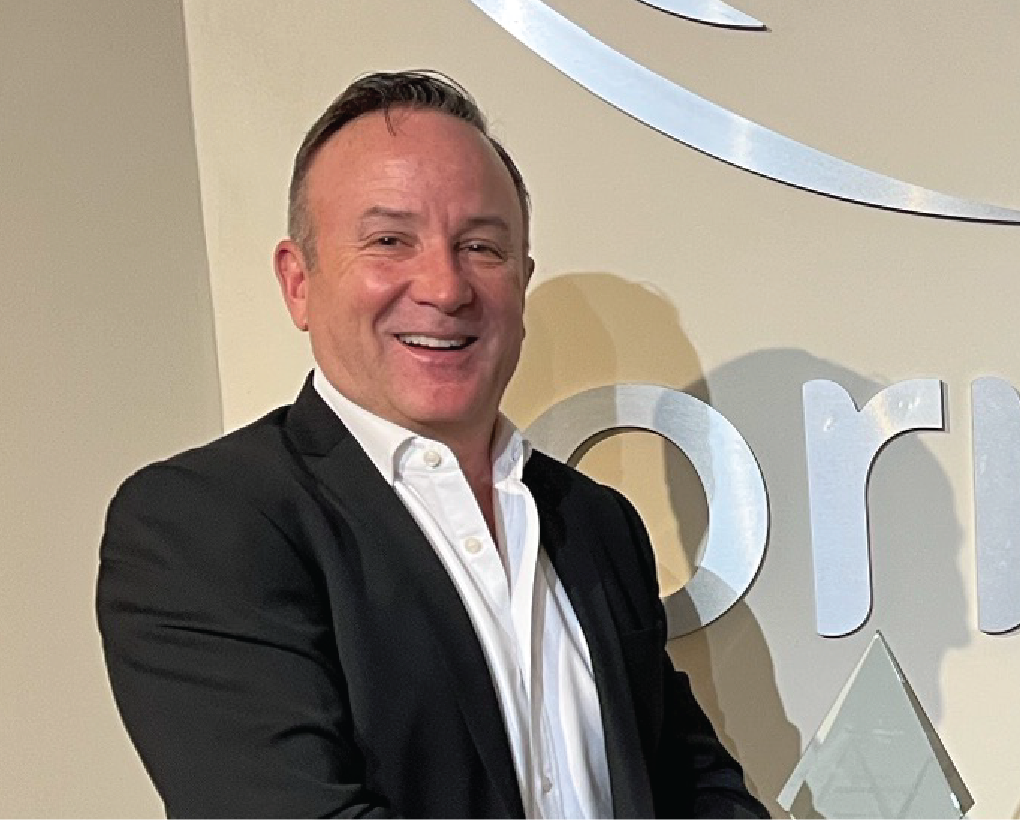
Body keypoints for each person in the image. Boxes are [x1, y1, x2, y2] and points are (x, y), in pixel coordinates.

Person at [96, 71, 768, 818]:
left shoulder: (598, 525)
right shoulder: (202, 524)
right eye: (389, 240)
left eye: (481, 246)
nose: (445, 287)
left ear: (521, 281)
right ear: (298, 282)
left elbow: (692, 781)